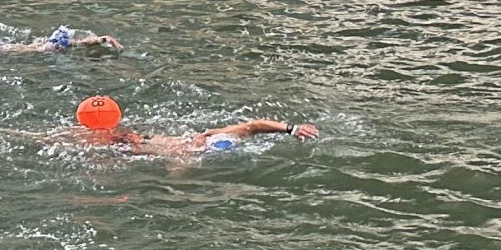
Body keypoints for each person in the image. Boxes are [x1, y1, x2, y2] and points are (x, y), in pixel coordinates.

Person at [48, 98, 316, 155]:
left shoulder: (205, 142)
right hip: (145, 143)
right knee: (101, 143)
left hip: (147, 145)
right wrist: (291, 128)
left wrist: (290, 129)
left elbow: (255, 126)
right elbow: (254, 124)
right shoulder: (209, 137)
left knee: (101, 142)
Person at [1, 26, 122, 54]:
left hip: (56, 40)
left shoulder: (72, 40)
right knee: (30, 49)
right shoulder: (72, 43)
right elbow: (85, 43)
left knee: (33, 47)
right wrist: (104, 39)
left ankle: (1, 47)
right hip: (57, 44)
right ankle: (1, 48)